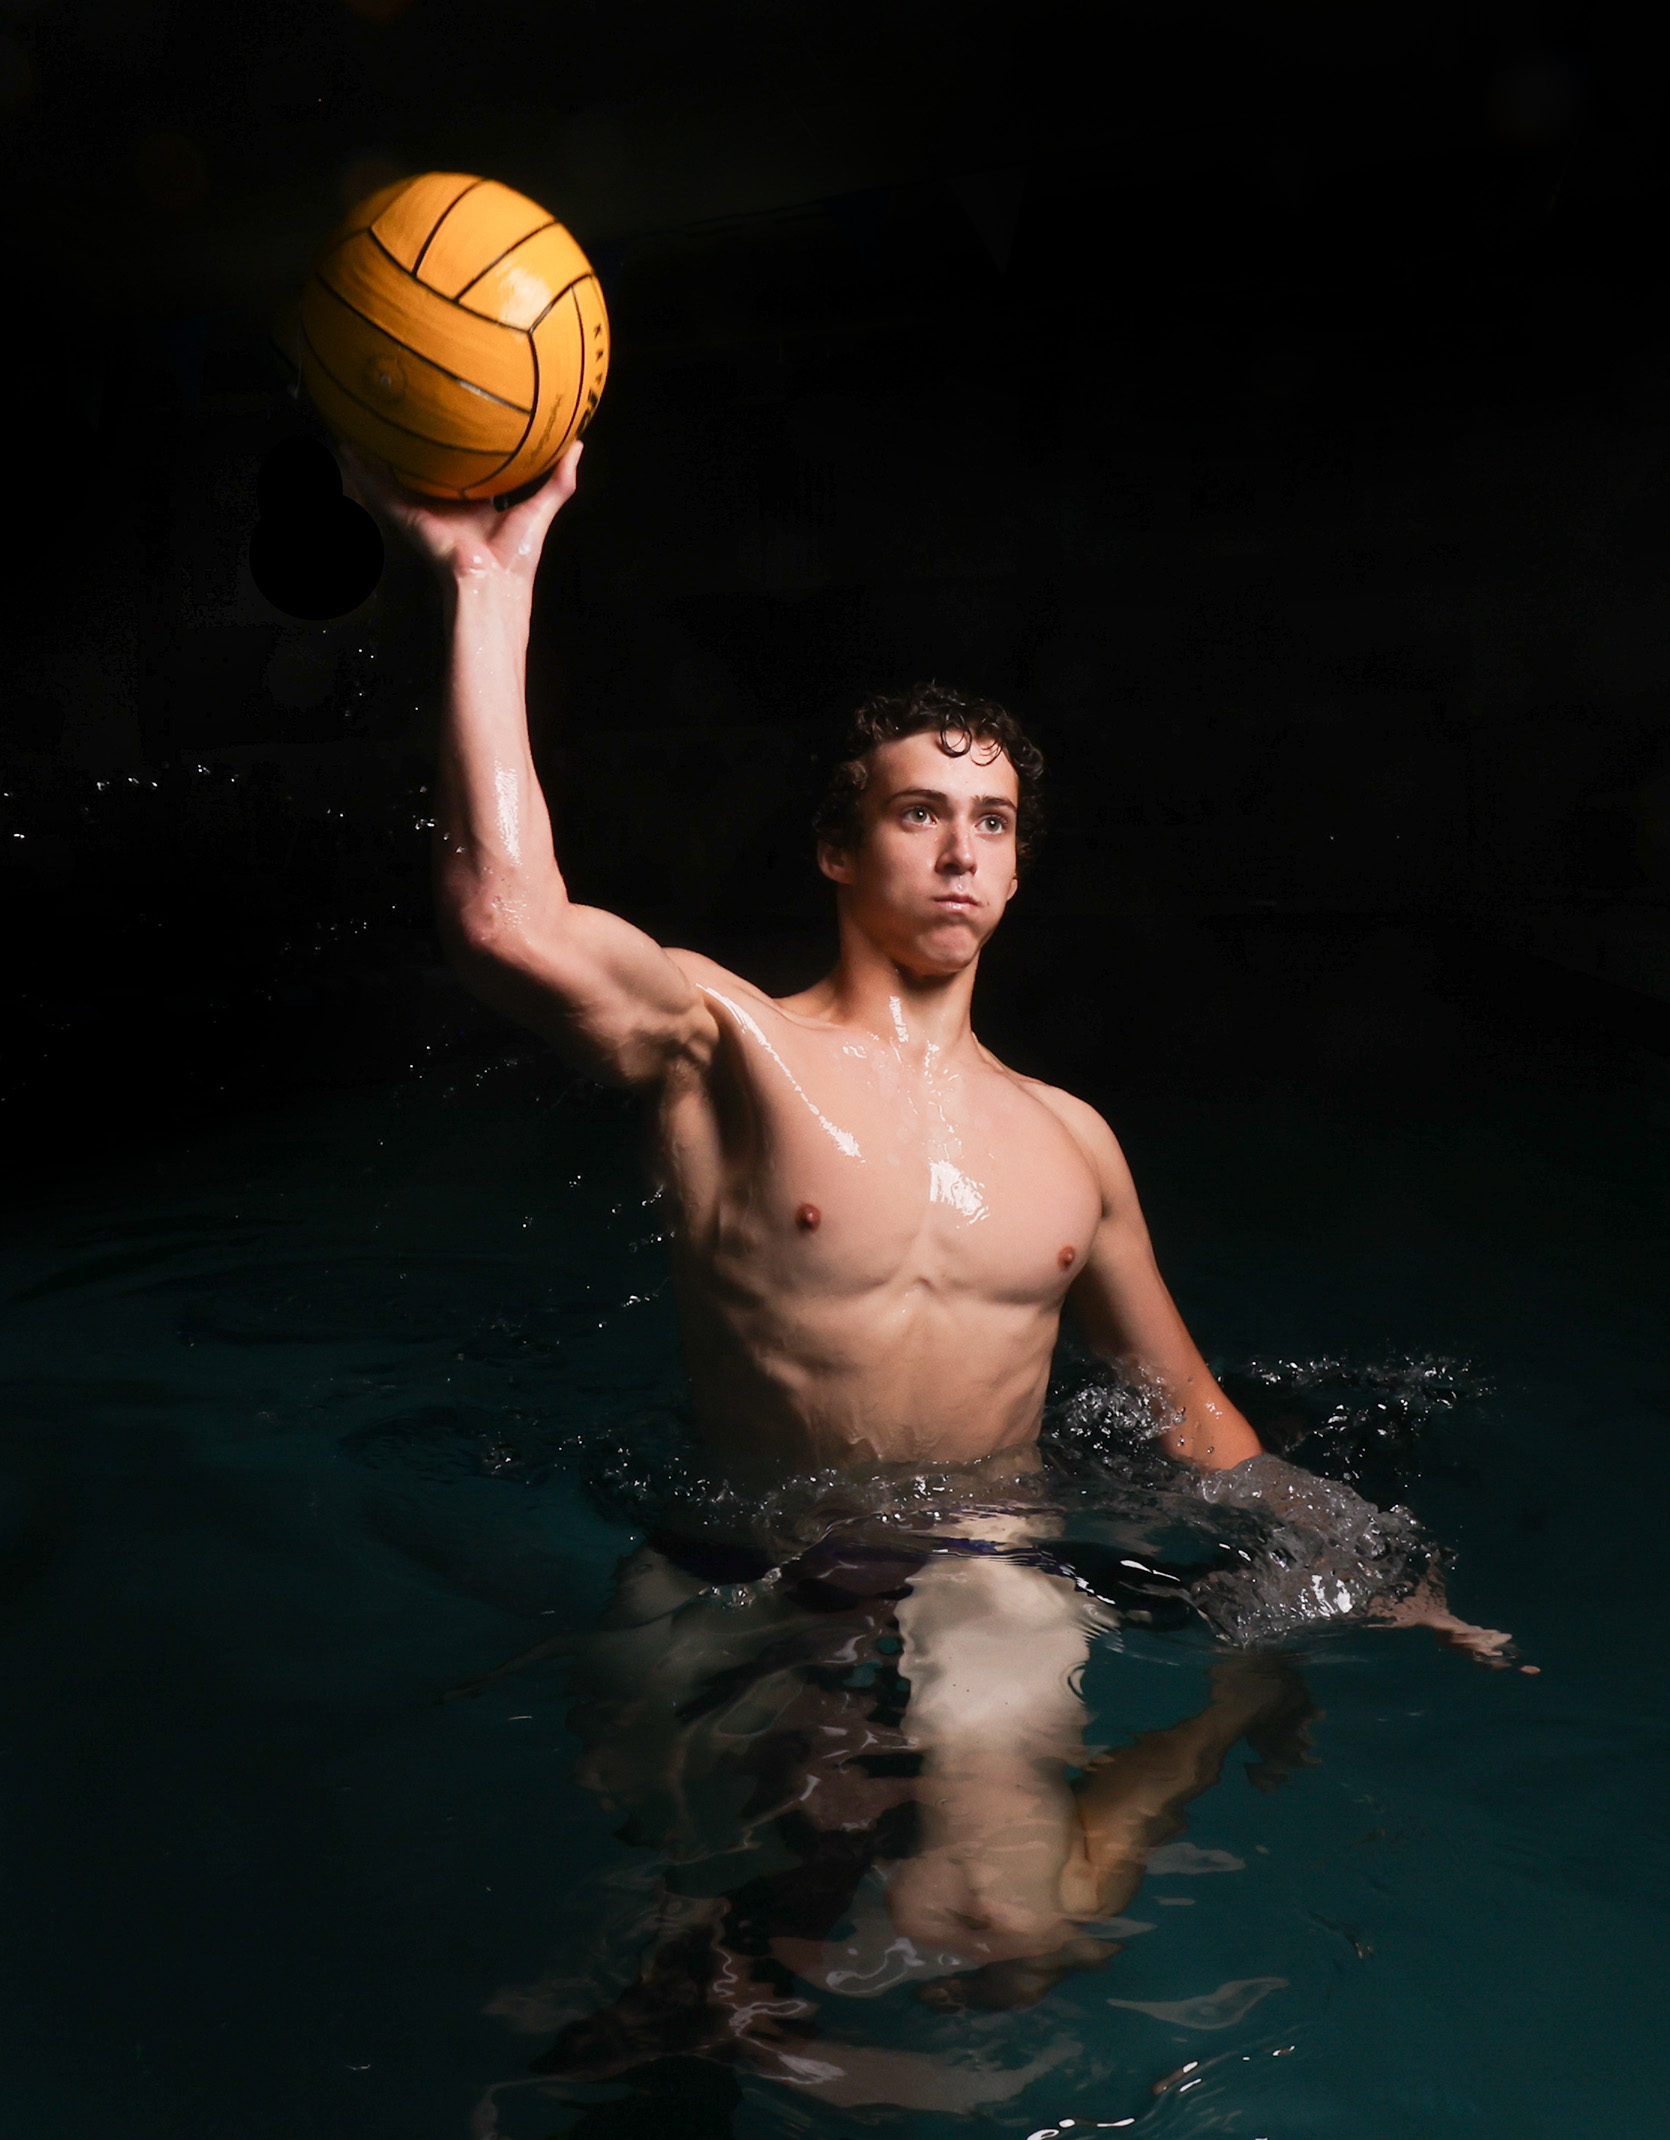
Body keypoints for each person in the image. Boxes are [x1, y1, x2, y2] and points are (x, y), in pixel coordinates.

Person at [347, 443, 1511, 2095]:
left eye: (994, 824)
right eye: (921, 814)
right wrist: (487, 575)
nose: (963, 853)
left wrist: (1374, 1575)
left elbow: (1189, 1411)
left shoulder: (1071, 1144)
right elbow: (504, 916)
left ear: (1023, 865)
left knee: (1000, 1943)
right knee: (688, 1985)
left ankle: (1215, 1722)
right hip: (730, 1560)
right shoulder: (721, 1044)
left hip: (986, 1560)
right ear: (840, 846)